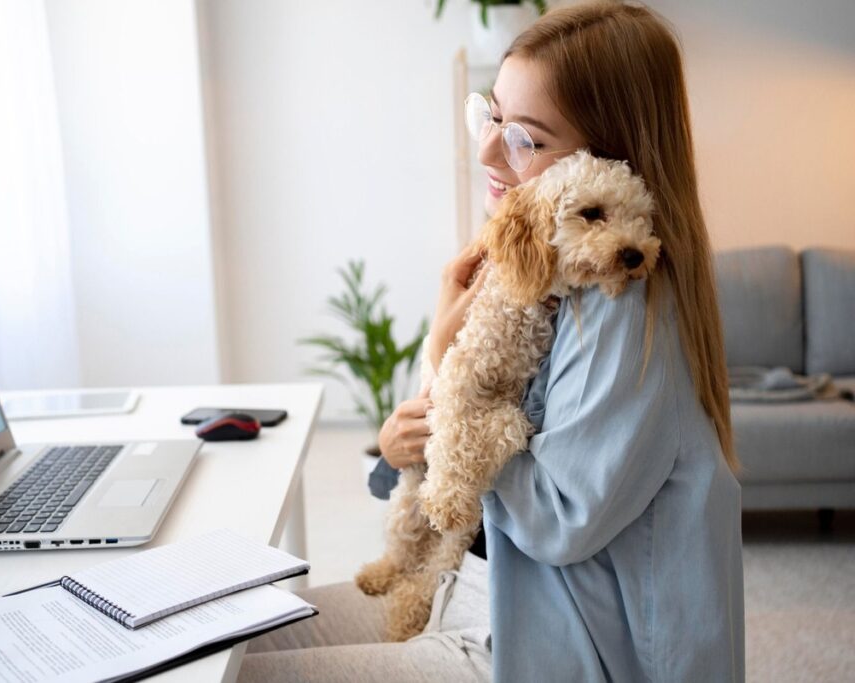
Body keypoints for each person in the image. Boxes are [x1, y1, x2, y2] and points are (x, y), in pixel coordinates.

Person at [237, 1, 744, 681]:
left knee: (244, 673)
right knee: (230, 645)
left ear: (605, 164)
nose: (484, 151)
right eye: (493, 117)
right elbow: (456, 437)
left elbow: (560, 519)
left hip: (553, 642)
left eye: (525, 139)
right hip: (480, 587)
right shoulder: (532, 273)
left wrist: (445, 379)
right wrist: (409, 424)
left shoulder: (625, 303)